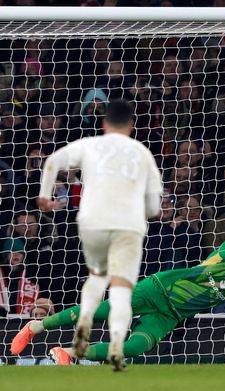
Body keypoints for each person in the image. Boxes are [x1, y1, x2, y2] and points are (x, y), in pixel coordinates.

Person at [10, 222, 225, 366]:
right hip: (157, 289)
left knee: (136, 346)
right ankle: (34, 328)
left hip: (171, 315)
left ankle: (69, 353)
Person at [37, 99, 163, 371]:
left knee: (96, 278)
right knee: (120, 289)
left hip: (92, 223)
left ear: (104, 123)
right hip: (127, 226)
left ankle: (81, 332)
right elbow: (154, 207)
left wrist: (45, 197)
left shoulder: (90, 145)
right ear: (131, 125)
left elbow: (51, 162)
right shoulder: (142, 154)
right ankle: (116, 349)